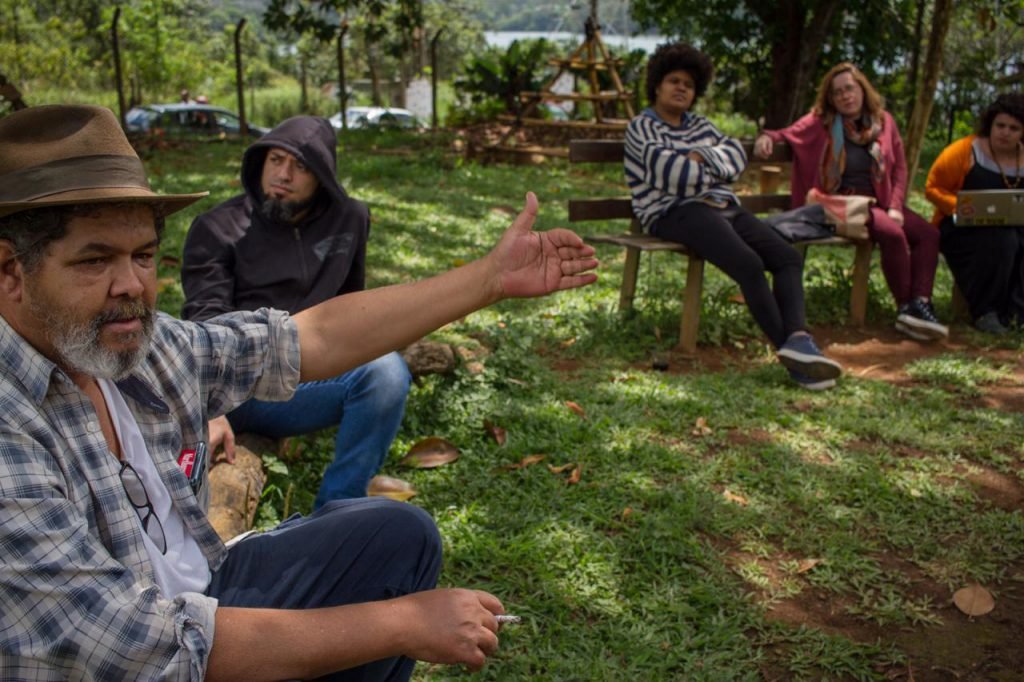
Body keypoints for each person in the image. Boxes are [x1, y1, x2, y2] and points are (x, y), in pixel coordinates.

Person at [0, 104, 598, 680]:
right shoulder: (12, 422)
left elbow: (310, 335)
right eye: (94, 259)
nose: (129, 284)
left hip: (204, 584)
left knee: (399, 534)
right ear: (10, 271)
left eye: (144, 256)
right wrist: (400, 624)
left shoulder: (143, 351)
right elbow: (139, 654)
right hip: (145, 649)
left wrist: (488, 279)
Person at [181, 115, 412, 506]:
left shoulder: (350, 218)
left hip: (311, 372)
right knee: (385, 369)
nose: (283, 175)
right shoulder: (217, 228)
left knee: (386, 371)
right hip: (243, 388)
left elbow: (351, 305)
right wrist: (210, 409)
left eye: (300, 166)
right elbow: (204, 326)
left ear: (322, 175)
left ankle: (339, 506)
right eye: (275, 160)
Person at [625, 43, 842, 390]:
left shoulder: (700, 125)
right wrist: (711, 165)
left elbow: (736, 158)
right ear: (657, 85)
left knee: (786, 258)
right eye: (674, 81)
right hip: (675, 212)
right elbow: (671, 177)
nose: (682, 88)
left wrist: (697, 156)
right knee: (749, 264)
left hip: (724, 208)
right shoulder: (642, 128)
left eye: (689, 85)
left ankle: (799, 340)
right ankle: (796, 360)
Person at [755, 62, 949, 341]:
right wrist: (767, 137)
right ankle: (905, 309)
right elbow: (785, 134)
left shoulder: (884, 122)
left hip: (881, 201)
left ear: (862, 89)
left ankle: (921, 302)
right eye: (837, 93)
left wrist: (895, 206)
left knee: (928, 234)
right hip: (843, 205)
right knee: (893, 234)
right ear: (830, 99)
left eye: (850, 88)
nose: (845, 96)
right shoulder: (820, 123)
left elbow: (899, 169)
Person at [925, 93, 1024, 333]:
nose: (1005, 132)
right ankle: (985, 311)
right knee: (1003, 241)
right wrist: (958, 206)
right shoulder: (963, 151)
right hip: (961, 228)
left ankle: (1016, 314)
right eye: (1000, 125)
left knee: (1014, 238)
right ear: (990, 124)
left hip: (1015, 226)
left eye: (1014, 128)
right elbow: (932, 187)